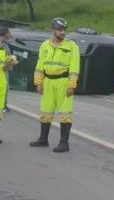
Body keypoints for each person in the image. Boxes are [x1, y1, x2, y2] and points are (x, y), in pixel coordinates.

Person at [29, 17, 80, 153]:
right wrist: (38, 82)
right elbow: (40, 65)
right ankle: (43, 139)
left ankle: (64, 143)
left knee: (65, 113)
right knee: (46, 111)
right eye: (59, 30)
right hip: (48, 82)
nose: (63, 32)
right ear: (53, 30)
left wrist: (72, 85)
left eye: (64, 30)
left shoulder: (72, 47)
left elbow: (74, 68)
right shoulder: (45, 45)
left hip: (63, 82)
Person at [0, 26, 14, 113]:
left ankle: (3, 104)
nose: (10, 34)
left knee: (5, 88)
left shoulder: (4, 43)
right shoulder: (0, 44)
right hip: (2, 69)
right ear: (5, 34)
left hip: (5, 68)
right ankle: (2, 105)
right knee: (3, 88)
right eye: (9, 32)